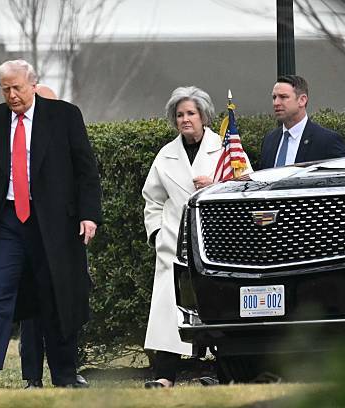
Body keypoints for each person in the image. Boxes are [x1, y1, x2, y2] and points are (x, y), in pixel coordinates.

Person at [0, 59, 102, 389]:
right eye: (5, 89)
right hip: (6, 221)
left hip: (52, 222)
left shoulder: (64, 116)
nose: (12, 95)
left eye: (17, 88)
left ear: (33, 84)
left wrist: (89, 214)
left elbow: (86, 171)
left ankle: (65, 375)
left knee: (56, 294)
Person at [141, 86, 252, 388]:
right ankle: (164, 377)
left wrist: (216, 183)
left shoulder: (225, 148)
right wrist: (157, 234)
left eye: (191, 113)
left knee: (219, 306)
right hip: (174, 244)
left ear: (203, 115)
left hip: (218, 243)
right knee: (168, 311)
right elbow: (152, 199)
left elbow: (248, 188)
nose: (185, 119)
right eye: (180, 115)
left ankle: (220, 374)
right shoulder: (166, 155)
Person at [17, 83, 89, 389]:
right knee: (32, 313)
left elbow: (84, 175)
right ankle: (32, 376)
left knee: (68, 306)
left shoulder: (67, 133)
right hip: (29, 233)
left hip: (62, 235)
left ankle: (68, 371)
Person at [259, 75, 345, 169]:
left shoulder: (327, 141)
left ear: (302, 100)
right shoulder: (269, 139)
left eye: (283, 97)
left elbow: (344, 177)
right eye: (274, 97)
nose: (276, 103)